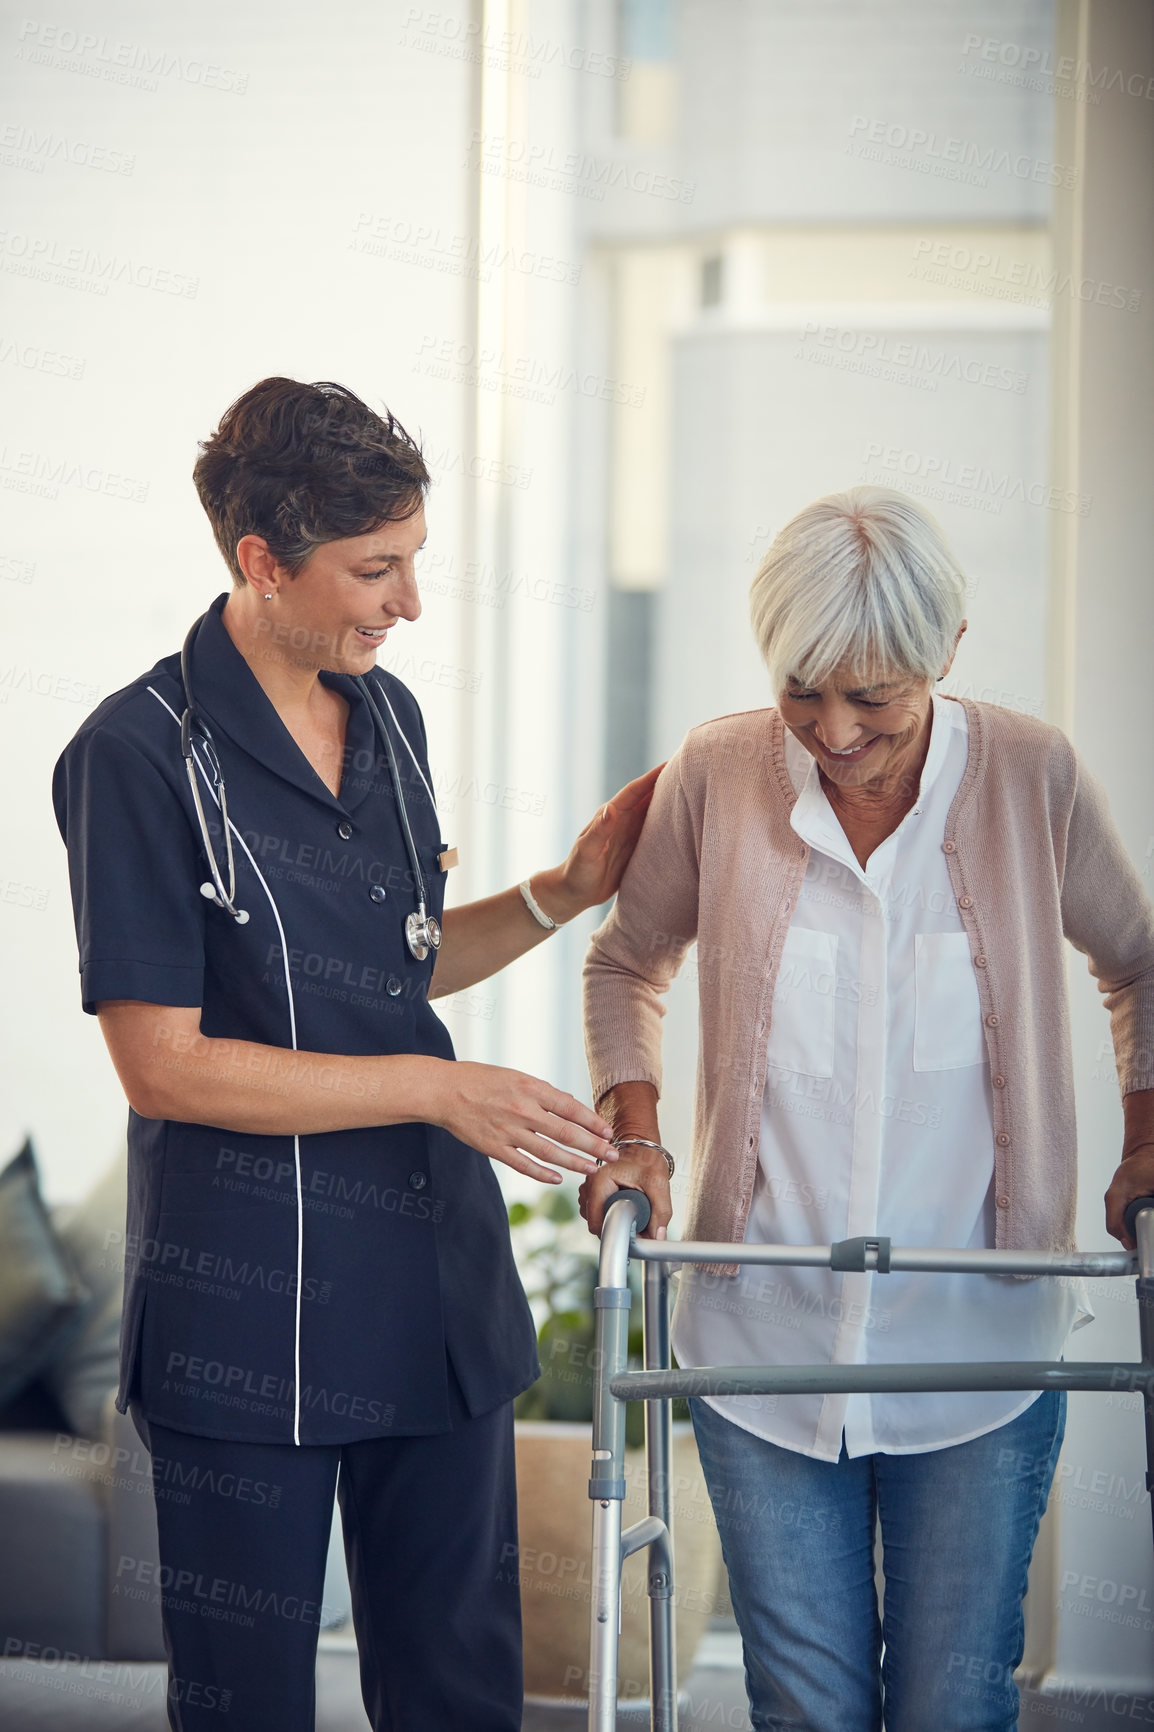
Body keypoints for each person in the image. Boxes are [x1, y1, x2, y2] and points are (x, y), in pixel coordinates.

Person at [52, 376, 659, 1732]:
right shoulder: (137, 756)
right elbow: (165, 1064)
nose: (407, 605)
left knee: (458, 1697)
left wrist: (559, 892)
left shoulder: (386, 716)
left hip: (431, 1298)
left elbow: (395, 959)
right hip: (247, 1306)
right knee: (248, 1703)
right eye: (374, 569)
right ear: (262, 561)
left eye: (412, 563)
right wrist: (442, 1088)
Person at [580, 485, 1154, 1732]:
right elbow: (626, 961)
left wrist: (1143, 1143)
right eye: (801, 690)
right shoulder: (719, 770)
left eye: (872, 697)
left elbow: (1139, 963)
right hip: (760, 1337)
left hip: (976, 1344)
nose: (831, 731)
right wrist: (636, 1134)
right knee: (803, 1707)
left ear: (945, 655)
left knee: (953, 1703)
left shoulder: (1029, 774)